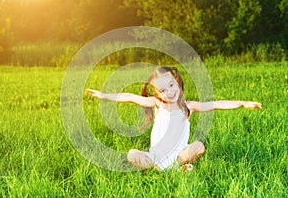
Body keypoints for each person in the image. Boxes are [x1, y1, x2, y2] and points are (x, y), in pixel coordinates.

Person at [86, 66, 262, 171]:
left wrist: (243, 103)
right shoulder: (157, 104)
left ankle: (173, 168)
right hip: (155, 156)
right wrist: (103, 95)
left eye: (171, 85)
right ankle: (167, 169)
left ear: (177, 81)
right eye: (162, 90)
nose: (169, 92)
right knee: (132, 154)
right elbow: (129, 97)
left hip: (179, 155)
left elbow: (216, 104)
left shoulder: (189, 106)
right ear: (156, 92)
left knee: (199, 146)